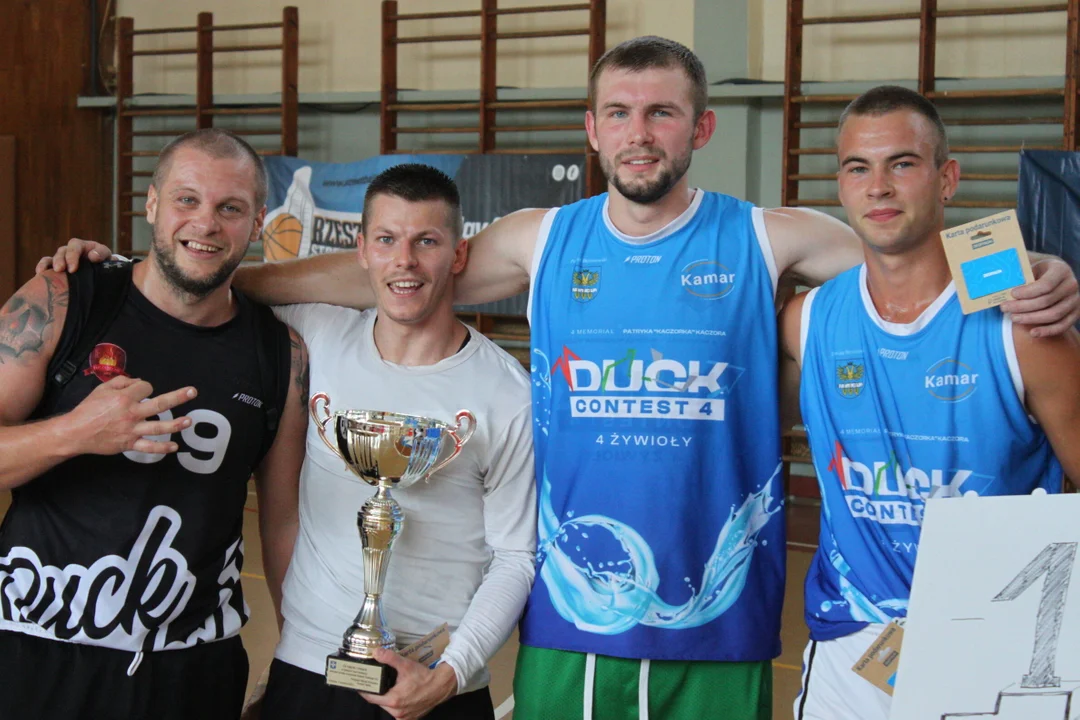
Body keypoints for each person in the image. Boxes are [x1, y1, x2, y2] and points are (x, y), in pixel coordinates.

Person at [43, 37, 1080, 720]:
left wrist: (1034, 266)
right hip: (577, 616)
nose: (640, 132)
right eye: (620, 113)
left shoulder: (769, 238)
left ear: (699, 131)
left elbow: (904, 249)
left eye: (663, 114)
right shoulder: (543, 243)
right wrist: (188, 275)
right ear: (591, 132)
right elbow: (370, 274)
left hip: (722, 618)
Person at [779, 86, 1080, 720]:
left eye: (902, 164)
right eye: (858, 167)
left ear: (946, 179)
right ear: (840, 185)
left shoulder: (1022, 326)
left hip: (993, 645)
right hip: (853, 646)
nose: (878, 186)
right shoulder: (806, 322)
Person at [0, 128, 309, 719]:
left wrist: (297, 659)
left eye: (231, 208)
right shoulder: (64, 299)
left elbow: (283, 522)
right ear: (151, 204)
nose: (206, 223)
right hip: (36, 650)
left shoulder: (280, 354)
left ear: (258, 220)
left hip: (191, 669)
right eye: (187, 199)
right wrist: (74, 433)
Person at [253, 163, 534, 720]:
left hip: (434, 683)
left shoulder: (507, 392)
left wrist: (452, 672)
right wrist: (103, 270)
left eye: (426, 241)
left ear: (457, 256)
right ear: (361, 250)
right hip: (310, 670)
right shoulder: (318, 332)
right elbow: (194, 292)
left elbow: (516, 556)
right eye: (386, 240)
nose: (404, 261)